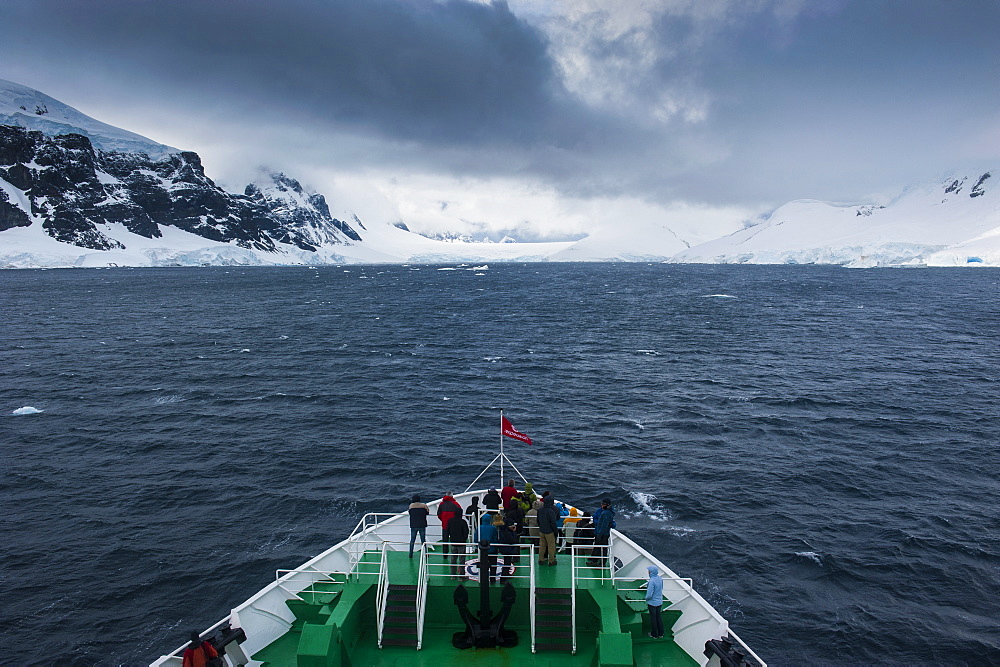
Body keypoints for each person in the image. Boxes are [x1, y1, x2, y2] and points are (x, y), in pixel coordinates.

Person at [587, 499, 615, 567]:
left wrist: (599, 534)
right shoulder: (607, 512)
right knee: (600, 548)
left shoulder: (606, 513)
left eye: (603, 504)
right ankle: (598, 561)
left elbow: (604, 525)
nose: (601, 505)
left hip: (602, 534)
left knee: (600, 548)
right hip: (602, 533)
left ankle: (598, 562)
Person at [445, 513, 470, 578]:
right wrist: (464, 539)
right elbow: (466, 531)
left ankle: (453, 575)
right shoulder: (463, 522)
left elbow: (447, 530)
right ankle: (461, 576)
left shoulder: (450, 521)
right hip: (461, 543)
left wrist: (448, 539)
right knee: (461, 559)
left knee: (453, 559)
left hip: (453, 543)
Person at [537, 496, 559, 566]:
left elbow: (538, 520)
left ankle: (541, 559)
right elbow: (553, 523)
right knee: (551, 546)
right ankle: (551, 561)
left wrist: (541, 527)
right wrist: (556, 532)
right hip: (549, 531)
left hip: (542, 530)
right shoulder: (551, 511)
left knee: (542, 546)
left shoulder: (540, 510)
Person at [478, 514, 500, 582]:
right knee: (493, 565)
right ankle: (492, 579)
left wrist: (478, 546)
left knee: (483, 565)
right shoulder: (493, 528)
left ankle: (483, 578)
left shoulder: (479, 528)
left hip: (482, 550)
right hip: (492, 549)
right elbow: (495, 538)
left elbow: (476, 538)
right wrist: (496, 546)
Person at [646, 565, 665, 639]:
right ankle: (661, 633)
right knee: (658, 617)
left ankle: (654, 634)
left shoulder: (651, 581)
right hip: (659, 602)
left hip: (652, 603)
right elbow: (661, 588)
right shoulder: (660, 579)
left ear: (651, 572)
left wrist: (646, 599)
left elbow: (649, 594)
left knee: (653, 619)